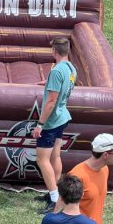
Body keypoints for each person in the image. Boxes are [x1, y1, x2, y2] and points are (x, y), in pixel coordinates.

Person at [32, 37, 77, 214]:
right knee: (55, 157)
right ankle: (55, 192)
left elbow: (50, 101)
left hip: (51, 121)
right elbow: (65, 86)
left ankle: (54, 199)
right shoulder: (71, 68)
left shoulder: (56, 71)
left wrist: (40, 124)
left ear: (54, 51)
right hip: (63, 117)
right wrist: (49, 84)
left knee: (42, 159)